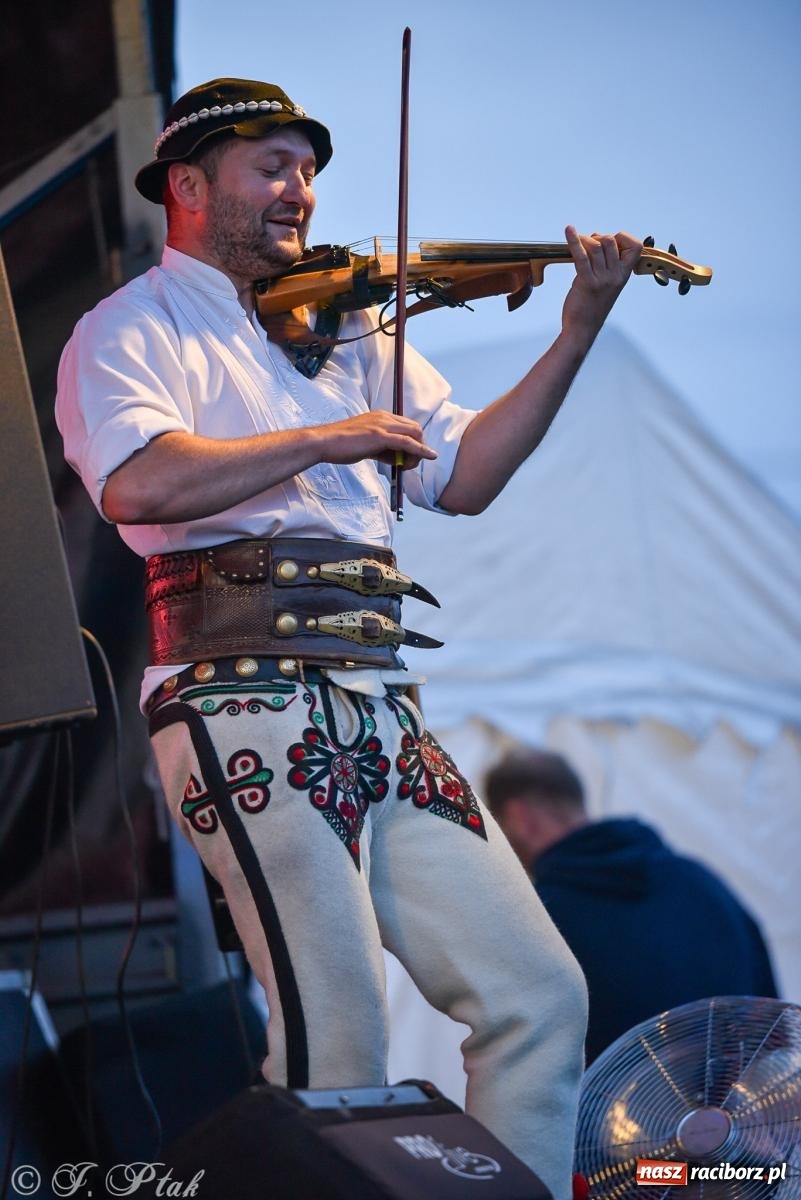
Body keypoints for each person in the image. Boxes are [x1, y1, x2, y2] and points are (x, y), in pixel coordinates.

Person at [55, 77, 643, 1196]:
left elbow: (464, 475)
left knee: (537, 993)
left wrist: (574, 333)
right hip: (239, 698)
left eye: (309, 169)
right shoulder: (130, 326)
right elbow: (140, 480)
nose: (302, 191)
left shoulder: (356, 327)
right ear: (188, 185)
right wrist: (332, 434)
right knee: (339, 1027)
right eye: (271, 166)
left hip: (380, 700)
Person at [485, 748, 779, 1064]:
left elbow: (524, 1061)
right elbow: (774, 1026)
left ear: (518, 818)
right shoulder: (704, 882)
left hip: (605, 1113)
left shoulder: (538, 914)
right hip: (740, 1109)